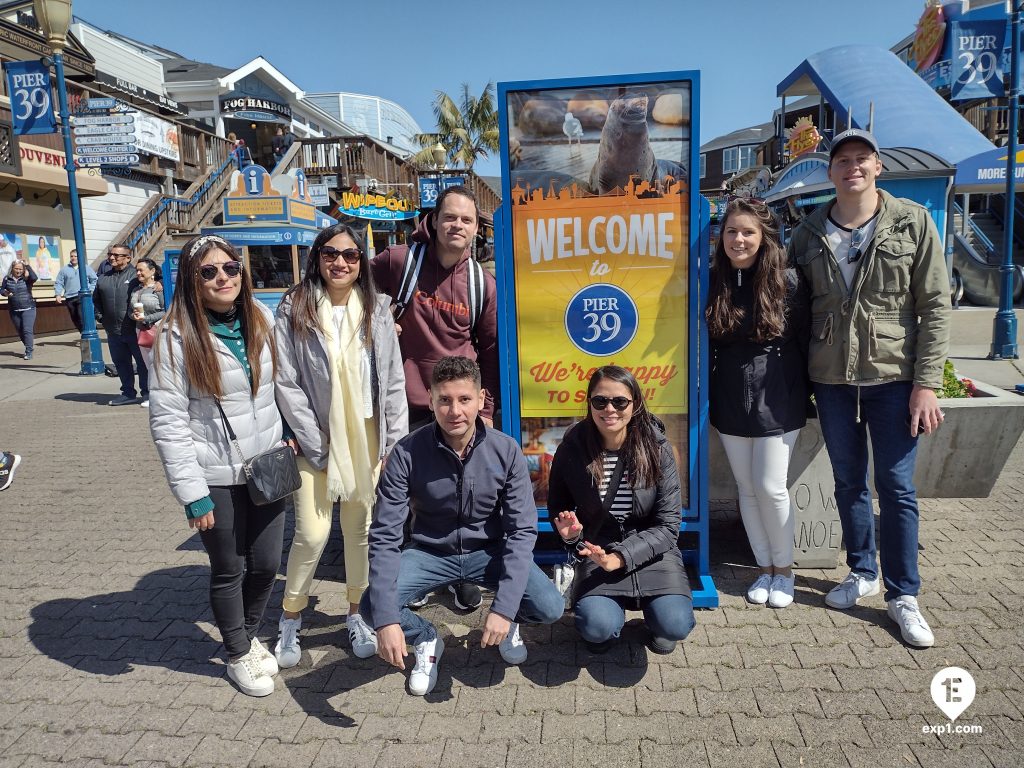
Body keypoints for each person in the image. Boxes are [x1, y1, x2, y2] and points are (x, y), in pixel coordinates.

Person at [788, 129, 951, 648]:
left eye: (862, 159)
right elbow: (793, 311)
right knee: (847, 483)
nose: (851, 167)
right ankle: (862, 569)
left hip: (892, 380)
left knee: (898, 489)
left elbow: (935, 308)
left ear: (877, 167)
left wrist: (926, 384)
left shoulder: (912, 223)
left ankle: (904, 594)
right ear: (830, 172)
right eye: (842, 161)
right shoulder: (809, 232)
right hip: (832, 381)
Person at [360, 356, 564, 696]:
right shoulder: (406, 453)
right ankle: (426, 639)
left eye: (464, 399)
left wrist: (504, 607)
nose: (455, 411)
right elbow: (384, 536)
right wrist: (387, 622)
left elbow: (521, 531)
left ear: (481, 399)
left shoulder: (506, 451)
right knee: (372, 606)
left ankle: (509, 623)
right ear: (430, 399)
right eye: (445, 400)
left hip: (488, 551)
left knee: (550, 607)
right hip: (429, 552)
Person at [149, 233, 287, 697]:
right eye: (208, 272)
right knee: (229, 567)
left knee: (267, 563)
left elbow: (282, 386)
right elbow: (168, 422)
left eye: (229, 267)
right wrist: (192, 493)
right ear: (191, 281)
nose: (222, 277)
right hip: (214, 473)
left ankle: (246, 637)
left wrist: (291, 435)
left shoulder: (261, 318)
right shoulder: (174, 338)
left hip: (266, 466)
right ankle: (236, 653)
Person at [273, 224, 408, 668]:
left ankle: (356, 614)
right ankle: (290, 616)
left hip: (367, 436)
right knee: (311, 535)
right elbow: (287, 382)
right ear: (317, 258)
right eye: (331, 254)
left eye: (351, 255)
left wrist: (396, 444)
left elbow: (391, 381)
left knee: (360, 532)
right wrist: (315, 443)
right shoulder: (294, 308)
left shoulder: (377, 308)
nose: (341, 263)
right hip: (316, 437)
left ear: (361, 261)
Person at [371, 185, 500, 613]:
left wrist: (488, 408)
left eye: (466, 219)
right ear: (434, 219)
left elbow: (491, 352)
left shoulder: (483, 284)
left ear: (476, 228)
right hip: (406, 398)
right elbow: (347, 289)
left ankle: (463, 570)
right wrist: (377, 315)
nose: (457, 226)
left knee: (464, 489)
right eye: (450, 217)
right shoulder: (399, 262)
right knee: (409, 492)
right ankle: (419, 568)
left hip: (461, 404)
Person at [546, 366, 696, 654]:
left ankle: (659, 627)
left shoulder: (657, 448)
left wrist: (622, 557)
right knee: (596, 627)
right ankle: (605, 631)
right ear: (589, 403)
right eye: (600, 401)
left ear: (635, 403)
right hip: (598, 548)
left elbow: (668, 526)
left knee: (675, 624)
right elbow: (559, 508)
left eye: (620, 401)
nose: (609, 409)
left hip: (653, 552)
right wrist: (569, 536)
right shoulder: (571, 449)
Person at [706, 199, 810, 608]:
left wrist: (807, 395)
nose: (739, 239)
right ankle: (764, 568)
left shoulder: (789, 282)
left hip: (778, 396)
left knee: (771, 487)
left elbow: (804, 340)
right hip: (730, 396)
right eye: (732, 231)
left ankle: (785, 572)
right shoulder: (715, 280)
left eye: (748, 231)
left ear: (765, 236)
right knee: (747, 489)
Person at [94, 244, 148, 406]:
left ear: (127, 258)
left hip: (135, 330)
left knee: (143, 363)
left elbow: (154, 284)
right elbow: (96, 300)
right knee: (121, 363)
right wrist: (100, 317)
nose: (112, 258)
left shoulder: (136, 276)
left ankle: (147, 393)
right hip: (113, 331)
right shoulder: (103, 278)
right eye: (110, 254)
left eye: (117, 255)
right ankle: (128, 393)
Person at [130, 257, 165, 405]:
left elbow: (166, 309)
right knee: (148, 364)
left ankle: (164, 397)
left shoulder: (159, 288)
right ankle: (154, 396)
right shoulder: (135, 289)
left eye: (141, 270)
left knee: (160, 364)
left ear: (152, 271)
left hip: (157, 329)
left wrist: (148, 318)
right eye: (136, 270)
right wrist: (134, 316)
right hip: (141, 330)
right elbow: (129, 310)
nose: (138, 273)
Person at [54, 250, 98, 333]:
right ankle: (84, 333)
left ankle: (89, 333)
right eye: (72, 256)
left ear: (79, 257)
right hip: (70, 298)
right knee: (75, 319)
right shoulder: (64, 270)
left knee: (82, 317)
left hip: (82, 297)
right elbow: (59, 282)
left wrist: (91, 290)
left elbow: (94, 280)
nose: (73, 258)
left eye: (75, 256)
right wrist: (58, 294)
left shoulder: (85, 268)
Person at [1, 260, 38, 359]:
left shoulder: (27, 279)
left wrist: (27, 266)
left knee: (27, 330)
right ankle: (28, 346)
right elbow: (2, 290)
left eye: (21, 269)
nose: (18, 271)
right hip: (14, 309)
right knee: (20, 331)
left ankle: (29, 351)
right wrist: (6, 293)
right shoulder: (7, 278)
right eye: (16, 268)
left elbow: (35, 277)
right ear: (12, 268)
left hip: (28, 307)